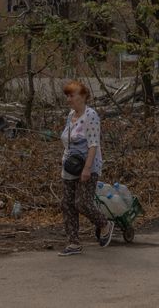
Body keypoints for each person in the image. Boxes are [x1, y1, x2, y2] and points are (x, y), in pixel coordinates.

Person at [58, 80, 112, 256]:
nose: (68, 99)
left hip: (88, 165)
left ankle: (104, 224)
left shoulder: (91, 115)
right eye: (67, 95)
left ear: (82, 96)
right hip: (70, 166)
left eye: (71, 95)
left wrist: (87, 169)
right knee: (67, 204)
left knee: (82, 202)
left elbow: (93, 144)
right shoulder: (70, 115)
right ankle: (73, 243)